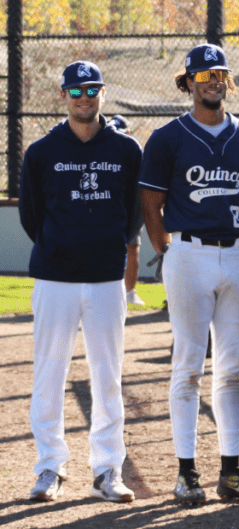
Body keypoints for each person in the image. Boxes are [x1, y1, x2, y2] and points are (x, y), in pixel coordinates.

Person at [139, 43, 239, 504]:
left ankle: (231, 473)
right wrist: (165, 251)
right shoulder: (168, 137)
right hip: (189, 254)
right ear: (188, 82)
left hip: (237, 253)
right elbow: (150, 202)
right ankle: (186, 473)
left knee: (231, 369)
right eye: (203, 75)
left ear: (228, 82)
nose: (213, 81)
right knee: (188, 367)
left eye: (220, 74)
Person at [20, 60, 141, 503]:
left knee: (107, 376)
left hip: (106, 278)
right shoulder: (41, 151)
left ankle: (107, 469)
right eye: (76, 91)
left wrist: (109, 247)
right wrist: (61, 247)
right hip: (55, 276)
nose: (84, 97)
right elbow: (32, 217)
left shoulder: (126, 150)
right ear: (64, 96)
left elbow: (131, 216)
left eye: (92, 90)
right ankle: (49, 467)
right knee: (49, 374)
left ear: (103, 94)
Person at [108, 115, 147, 306]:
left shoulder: (133, 152)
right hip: (108, 210)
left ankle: (129, 291)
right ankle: (109, 292)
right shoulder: (103, 151)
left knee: (132, 247)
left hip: (129, 209)